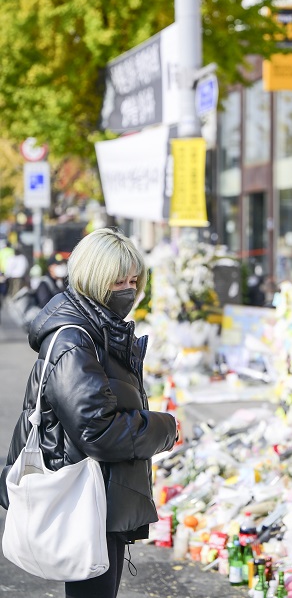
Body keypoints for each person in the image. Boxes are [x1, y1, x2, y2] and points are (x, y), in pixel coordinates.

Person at [0, 228, 178, 598]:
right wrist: (168, 427)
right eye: (118, 281)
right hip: (83, 497)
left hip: (100, 494)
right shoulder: (74, 339)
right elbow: (99, 431)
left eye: (133, 280)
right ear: (93, 278)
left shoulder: (100, 330)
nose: (128, 290)